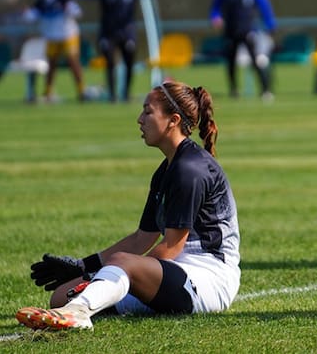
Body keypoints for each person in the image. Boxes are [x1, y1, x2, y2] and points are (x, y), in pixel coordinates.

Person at [16, 81, 240, 330]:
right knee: (60, 296)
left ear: (173, 120)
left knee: (121, 264)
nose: (139, 119)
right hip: (173, 275)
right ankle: (76, 307)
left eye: (147, 111)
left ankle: (79, 314)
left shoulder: (190, 169)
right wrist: (84, 266)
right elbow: (141, 239)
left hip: (208, 280)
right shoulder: (165, 170)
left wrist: (117, 272)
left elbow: (171, 246)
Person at [65, 0, 172, 102]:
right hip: (108, 33)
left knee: (129, 61)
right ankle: (112, 94)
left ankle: (126, 93)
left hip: (127, 32)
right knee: (110, 62)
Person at [209, 0, 276, 100]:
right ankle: (234, 90)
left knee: (256, 60)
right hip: (231, 32)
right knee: (231, 62)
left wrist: (270, 25)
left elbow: (265, 8)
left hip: (248, 31)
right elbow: (215, 8)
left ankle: (265, 90)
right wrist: (215, 18)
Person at [22, 0, 86, 102]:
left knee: (73, 62)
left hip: (68, 35)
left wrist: (69, 9)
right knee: (51, 64)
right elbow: (31, 16)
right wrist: (26, 13)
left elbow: (77, 12)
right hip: (52, 37)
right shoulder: (41, 1)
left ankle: (81, 90)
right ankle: (48, 92)